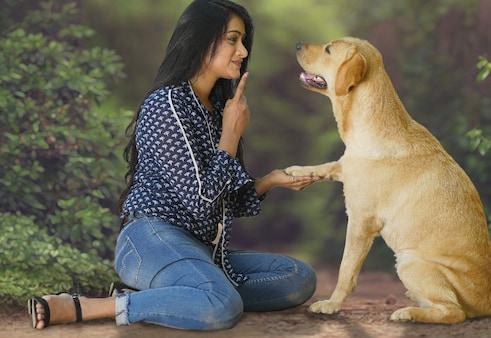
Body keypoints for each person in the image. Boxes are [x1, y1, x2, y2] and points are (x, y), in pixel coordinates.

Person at [28, 0, 323, 331]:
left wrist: (270, 180)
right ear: (201, 40)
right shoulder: (167, 105)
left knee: (297, 278)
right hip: (150, 239)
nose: (242, 50)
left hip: (199, 250)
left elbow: (225, 202)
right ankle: (88, 306)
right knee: (221, 305)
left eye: (243, 42)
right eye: (232, 39)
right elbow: (202, 203)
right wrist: (230, 134)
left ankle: (171, 293)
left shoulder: (214, 110)